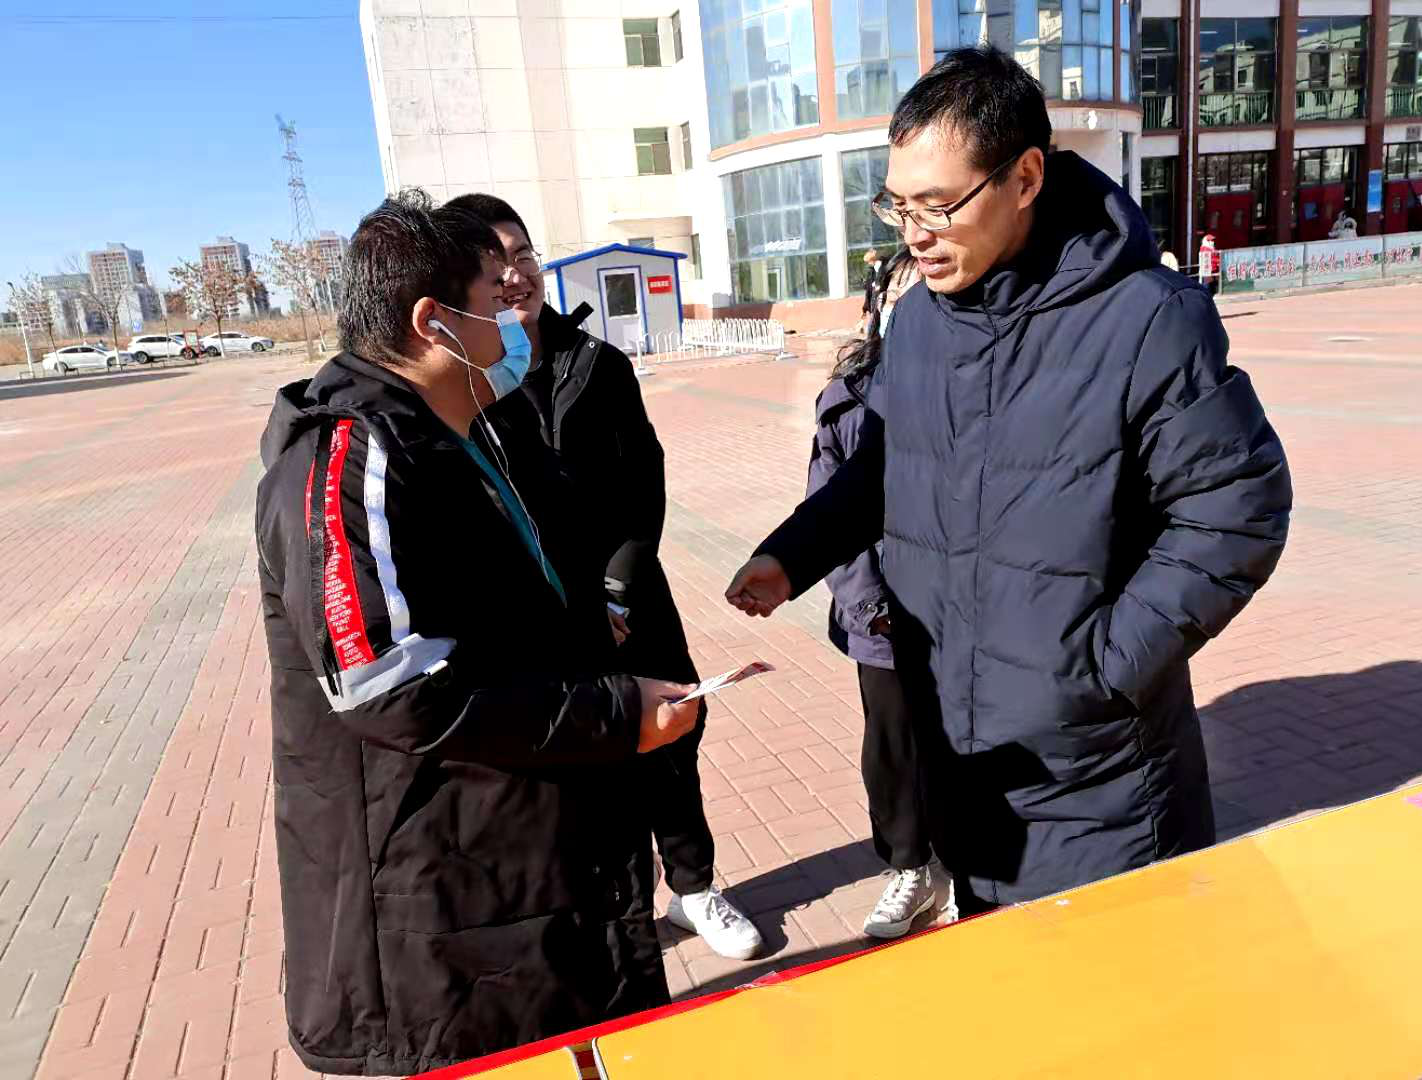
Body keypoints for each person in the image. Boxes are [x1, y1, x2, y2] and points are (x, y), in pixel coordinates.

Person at [727, 46, 1291, 915]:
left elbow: (1236, 508)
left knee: (1113, 994)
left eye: (938, 205)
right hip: (967, 760)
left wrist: (1102, 671)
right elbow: (885, 464)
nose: (914, 233)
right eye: (897, 205)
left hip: (1101, 780)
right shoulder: (920, 323)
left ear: (1025, 178)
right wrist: (791, 555)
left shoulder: (1146, 318)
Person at [255, 190, 700, 1076]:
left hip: (526, 874)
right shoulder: (347, 459)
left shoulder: (474, 431)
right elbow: (392, 688)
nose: (517, 311)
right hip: (440, 911)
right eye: (495, 297)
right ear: (434, 323)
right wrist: (613, 716)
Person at [443, 193, 763, 962]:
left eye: (523, 255)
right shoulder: (460, 386)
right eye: (495, 265)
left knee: (673, 731)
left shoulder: (597, 364)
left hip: (629, 592)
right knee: (578, 756)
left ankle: (694, 889)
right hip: (538, 616)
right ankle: (604, 918)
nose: (515, 275)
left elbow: (642, 485)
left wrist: (615, 594)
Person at [813, 252, 937, 939]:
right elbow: (827, 511)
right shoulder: (847, 395)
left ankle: (965, 860)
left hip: (965, 609)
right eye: (899, 295)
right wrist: (869, 606)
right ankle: (908, 865)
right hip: (884, 617)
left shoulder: (980, 379)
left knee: (968, 738)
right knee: (892, 745)